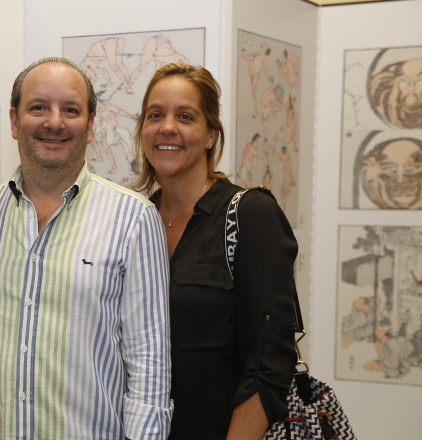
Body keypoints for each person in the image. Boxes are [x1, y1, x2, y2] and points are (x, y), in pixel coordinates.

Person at [0, 57, 172, 439]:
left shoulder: (134, 218)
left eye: (71, 110)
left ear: (91, 125)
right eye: (38, 107)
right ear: (14, 121)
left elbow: (150, 364)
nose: (54, 122)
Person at [132, 63, 297, 439]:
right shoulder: (135, 221)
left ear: (210, 135)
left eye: (185, 116)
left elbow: (269, 364)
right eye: (155, 115)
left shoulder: (249, 214)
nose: (168, 127)